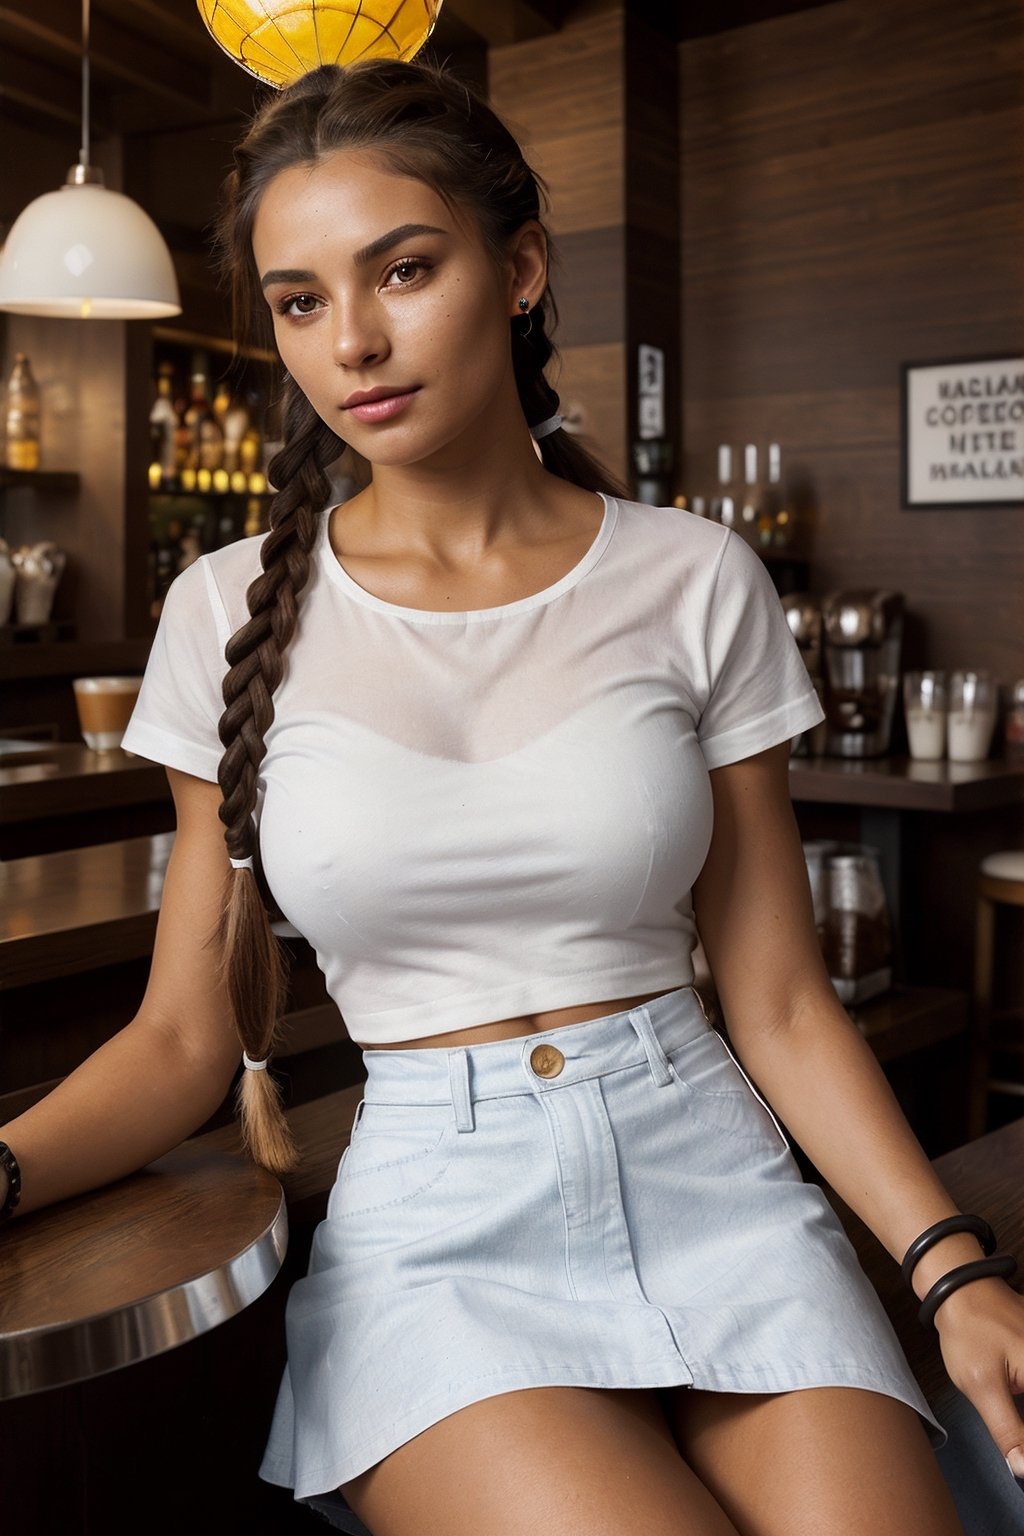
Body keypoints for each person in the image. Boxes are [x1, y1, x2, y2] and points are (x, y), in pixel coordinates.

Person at [1, 57, 1022, 1536]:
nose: (354, 339)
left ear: (521, 268)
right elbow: (180, 1038)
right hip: (439, 1232)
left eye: (403, 269)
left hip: (717, 1179)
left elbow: (784, 1002)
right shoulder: (223, 613)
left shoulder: (694, 576)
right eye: (300, 301)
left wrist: (953, 1268)